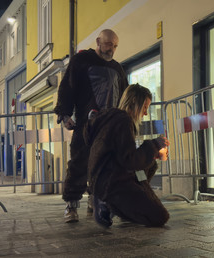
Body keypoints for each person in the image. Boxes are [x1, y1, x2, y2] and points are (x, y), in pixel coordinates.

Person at [54, 29, 128, 223]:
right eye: (108, 44)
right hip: (85, 125)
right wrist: (64, 114)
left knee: (104, 166)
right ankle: (71, 206)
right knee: (79, 163)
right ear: (98, 41)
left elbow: (124, 97)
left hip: (109, 127)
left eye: (115, 46)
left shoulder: (118, 69)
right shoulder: (81, 61)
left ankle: (94, 201)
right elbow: (67, 87)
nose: (111, 49)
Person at [84, 83, 170, 227]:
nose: (145, 113)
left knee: (151, 165)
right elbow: (130, 161)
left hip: (104, 177)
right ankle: (108, 203)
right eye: (144, 107)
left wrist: (151, 153)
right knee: (160, 217)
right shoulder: (123, 120)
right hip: (111, 182)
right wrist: (154, 145)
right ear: (135, 102)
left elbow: (122, 155)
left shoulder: (114, 118)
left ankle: (120, 205)